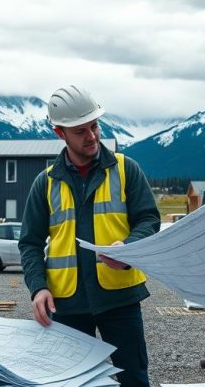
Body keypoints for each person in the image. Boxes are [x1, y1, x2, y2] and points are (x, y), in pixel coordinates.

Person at [19, 85, 160, 387]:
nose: (92, 136)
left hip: (120, 299)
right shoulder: (45, 183)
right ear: (61, 134)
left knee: (133, 379)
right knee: (72, 382)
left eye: (94, 126)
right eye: (80, 131)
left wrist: (128, 248)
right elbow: (29, 243)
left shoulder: (126, 170)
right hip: (66, 304)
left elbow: (149, 219)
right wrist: (38, 288)